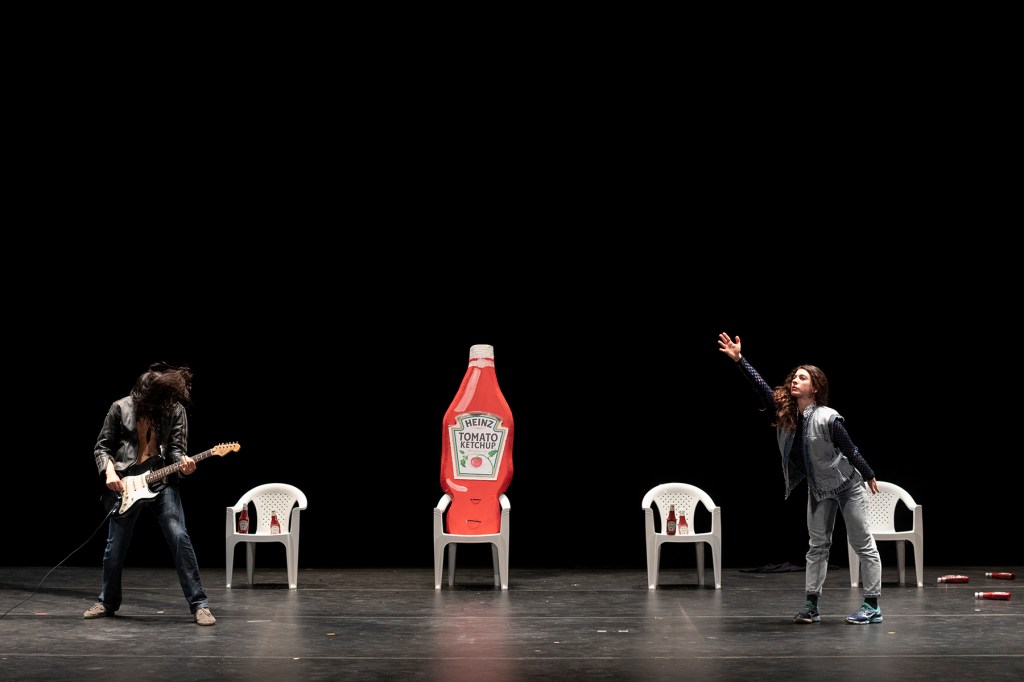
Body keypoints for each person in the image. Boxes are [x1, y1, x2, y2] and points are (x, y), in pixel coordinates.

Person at [717, 332, 883, 625]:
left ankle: (872, 606)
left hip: (847, 486)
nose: (795, 380)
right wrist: (739, 360)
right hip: (819, 488)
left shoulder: (829, 417)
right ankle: (811, 605)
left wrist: (868, 473)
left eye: (802, 378)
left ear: (815, 387)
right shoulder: (787, 413)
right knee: (817, 546)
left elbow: (850, 449)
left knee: (862, 543)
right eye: (794, 377)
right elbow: (760, 386)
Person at [84, 361, 216, 626]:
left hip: (161, 481)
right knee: (114, 547)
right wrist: (109, 472)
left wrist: (185, 466)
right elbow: (102, 447)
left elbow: (177, 450)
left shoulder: (174, 410)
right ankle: (107, 601)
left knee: (179, 536)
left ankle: (199, 604)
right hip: (127, 485)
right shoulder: (120, 407)